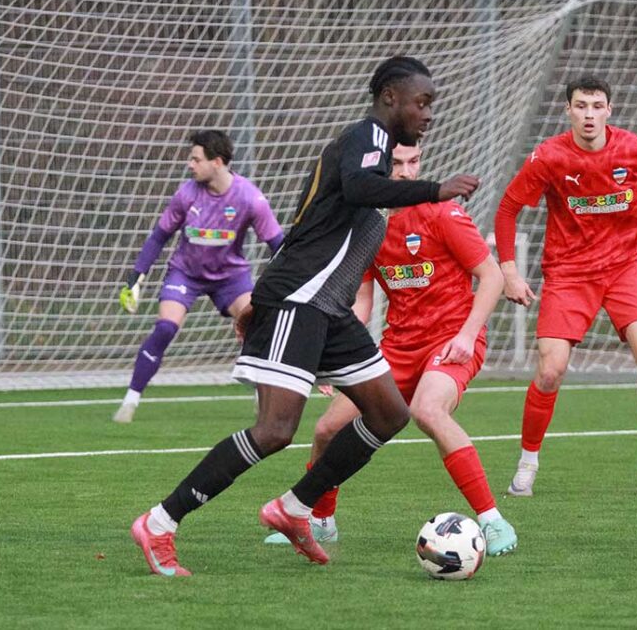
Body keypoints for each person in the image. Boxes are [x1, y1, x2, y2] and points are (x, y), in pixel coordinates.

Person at [130, 55, 480, 575]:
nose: (429, 113)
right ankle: (159, 522)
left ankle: (294, 509)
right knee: (274, 431)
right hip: (298, 300)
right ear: (390, 98)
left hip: (328, 309)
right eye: (422, 102)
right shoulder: (368, 137)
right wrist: (434, 188)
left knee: (389, 415)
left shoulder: (377, 153)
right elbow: (359, 192)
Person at [263, 143, 518, 555]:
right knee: (328, 429)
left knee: (427, 410)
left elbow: (491, 277)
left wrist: (468, 334)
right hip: (396, 349)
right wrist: (332, 358)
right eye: (395, 164)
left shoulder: (443, 212)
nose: (404, 172)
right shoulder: (367, 227)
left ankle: (492, 520)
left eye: (412, 162)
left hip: (450, 339)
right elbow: (360, 303)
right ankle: (321, 521)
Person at [494, 76, 637, 497]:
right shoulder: (549, 158)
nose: (588, 114)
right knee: (550, 370)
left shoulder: (634, 150)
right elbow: (508, 208)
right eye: (580, 105)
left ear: (609, 110)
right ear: (568, 111)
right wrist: (509, 272)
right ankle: (527, 465)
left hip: (623, 269)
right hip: (568, 274)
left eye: (596, 106)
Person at [113, 130, 284, 423]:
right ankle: (130, 402)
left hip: (231, 276)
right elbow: (159, 236)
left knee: (257, 326)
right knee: (165, 328)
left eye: (196, 159)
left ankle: (261, 396)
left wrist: (284, 284)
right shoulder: (186, 194)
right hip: (185, 273)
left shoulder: (250, 198)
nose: (190, 164)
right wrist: (136, 276)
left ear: (217, 162)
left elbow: (278, 245)